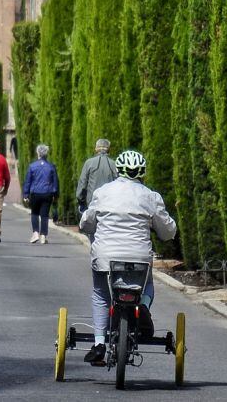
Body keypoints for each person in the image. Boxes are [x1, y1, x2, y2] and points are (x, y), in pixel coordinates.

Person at [78, 150, 176, 365]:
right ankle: (143, 309)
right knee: (147, 285)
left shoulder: (103, 193)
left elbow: (86, 223)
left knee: (101, 294)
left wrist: (87, 226)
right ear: (143, 172)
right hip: (139, 258)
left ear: (118, 170)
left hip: (105, 257)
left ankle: (99, 342)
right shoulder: (151, 197)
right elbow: (168, 231)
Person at [22, 144, 58, 244]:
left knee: (34, 213)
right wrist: (56, 194)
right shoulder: (51, 166)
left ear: (38, 153)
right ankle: (43, 235)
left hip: (35, 193)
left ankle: (36, 233)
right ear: (46, 154)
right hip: (47, 193)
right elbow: (55, 182)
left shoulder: (32, 166)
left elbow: (28, 182)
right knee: (45, 215)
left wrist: (25, 194)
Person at [75, 138, 118, 213]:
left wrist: (81, 203)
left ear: (96, 149)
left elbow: (82, 185)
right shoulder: (114, 164)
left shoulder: (89, 163)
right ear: (109, 149)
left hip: (92, 205)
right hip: (109, 206)